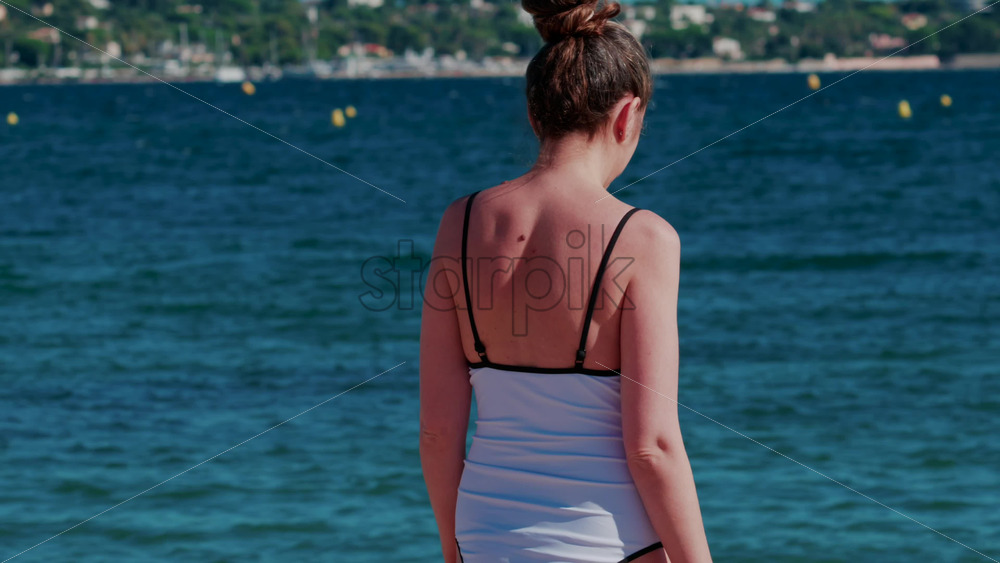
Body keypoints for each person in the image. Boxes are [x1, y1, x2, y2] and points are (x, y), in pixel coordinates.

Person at [419, 0, 713, 560]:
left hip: (483, 533)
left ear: (535, 116)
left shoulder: (459, 224)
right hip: (609, 542)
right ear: (628, 116)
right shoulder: (642, 238)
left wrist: (453, 546)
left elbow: (437, 430)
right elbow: (651, 447)